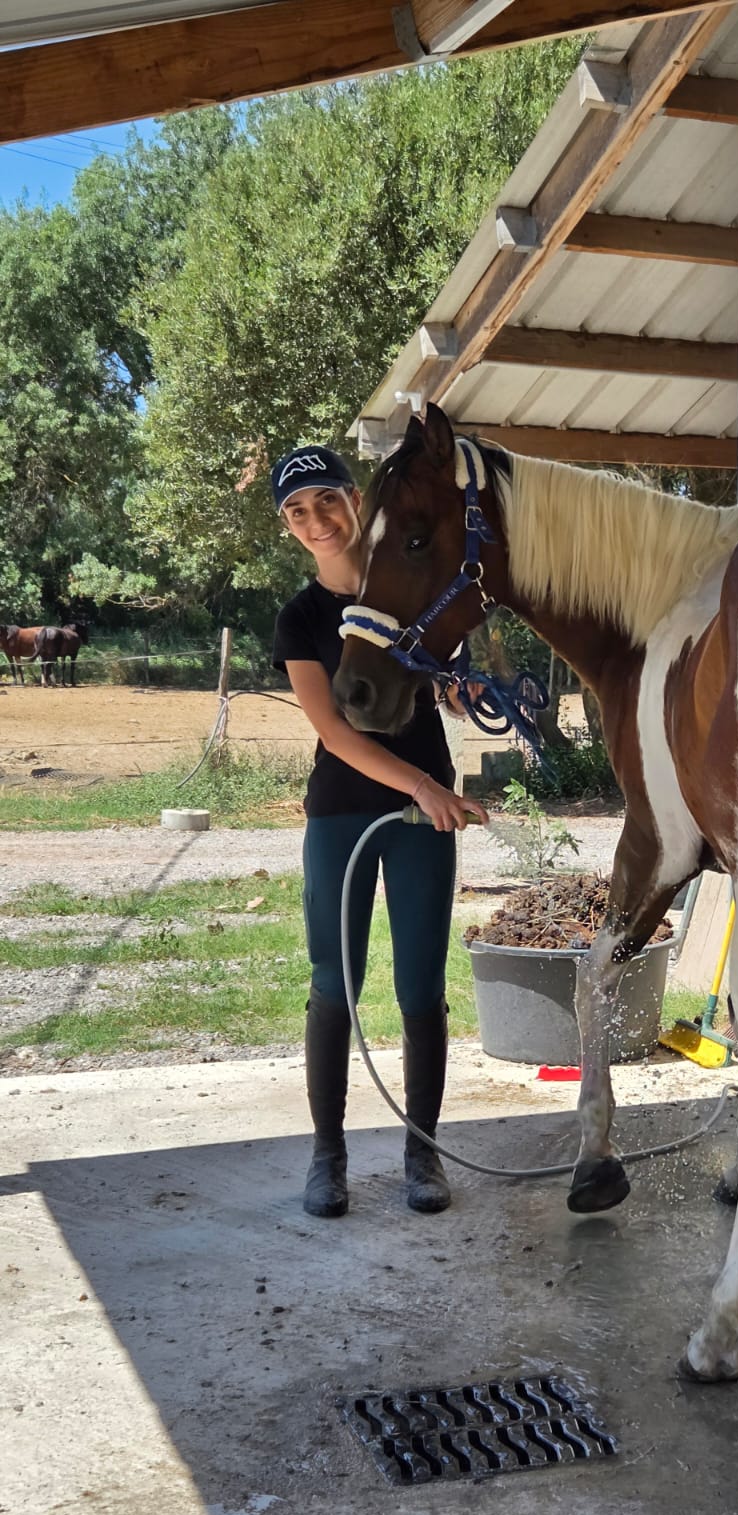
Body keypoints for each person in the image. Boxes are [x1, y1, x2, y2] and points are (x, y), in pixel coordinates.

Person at [269, 444, 487, 1220]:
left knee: (421, 985)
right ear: (289, 527)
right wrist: (423, 785)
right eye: (298, 512)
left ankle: (422, 1153)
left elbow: (450, 677)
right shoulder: (300, 619)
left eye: (327, 500)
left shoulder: (409, 583)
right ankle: (327, 1158)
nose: (317, 520)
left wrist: (461, 688)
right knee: (336, 982)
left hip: (423, 817)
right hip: (344, 813)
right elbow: (334, 731)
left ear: (355, 501)